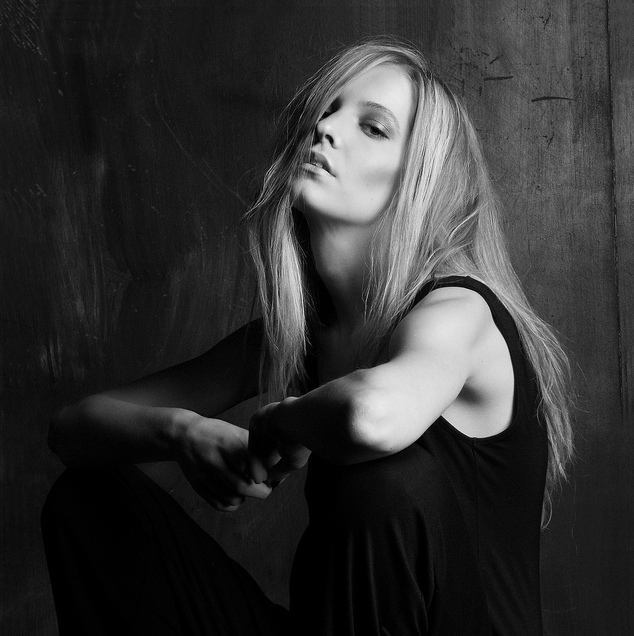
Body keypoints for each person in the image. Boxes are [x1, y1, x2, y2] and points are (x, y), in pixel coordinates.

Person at [42, 38, 574, 635]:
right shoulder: (301, 337)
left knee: (382, 483)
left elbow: (370, 418)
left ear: (420, 179)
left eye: (373, 127)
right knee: (88, 504)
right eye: (326, 109)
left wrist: (280, 422)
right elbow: (72, 431)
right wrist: (183, 433)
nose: (324, 129)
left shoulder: (458, 310)